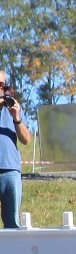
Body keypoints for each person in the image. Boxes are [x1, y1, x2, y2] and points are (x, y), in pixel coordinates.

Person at [1, 70, 32, 229]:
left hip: (10, 170)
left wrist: (17, 118)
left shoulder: (13, 107)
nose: (1, 88)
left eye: (3, 85)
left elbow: (26, 139)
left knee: (12, 222)